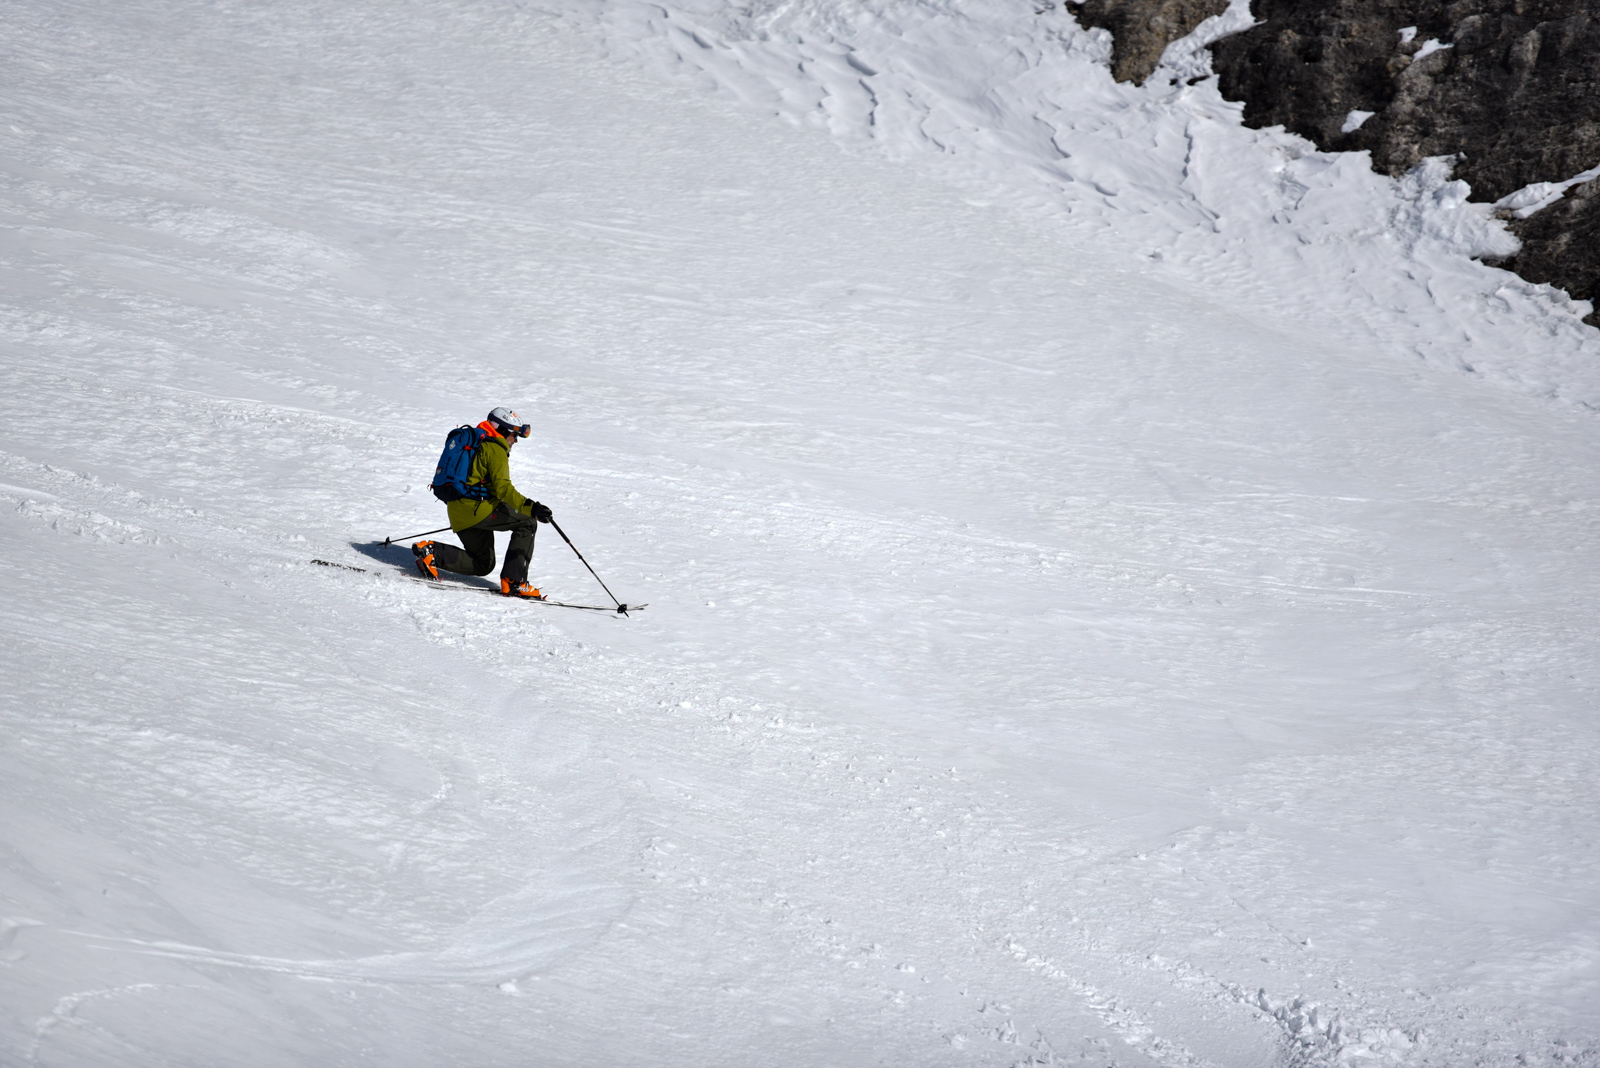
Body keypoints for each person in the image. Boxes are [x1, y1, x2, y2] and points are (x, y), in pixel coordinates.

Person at [413, 407, 553, 598]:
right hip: (477, 509)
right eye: (514, 435)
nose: (516, 440)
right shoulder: (495, 449)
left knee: (484, 564)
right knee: (527, 522)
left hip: (458, 510)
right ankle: (514, 582)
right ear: (502, 430)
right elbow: (504, 489)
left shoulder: (479, 442)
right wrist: (532, 508)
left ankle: (432, 553)